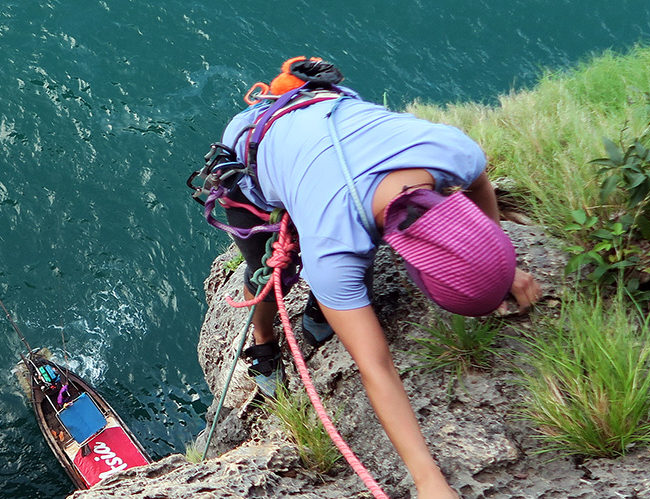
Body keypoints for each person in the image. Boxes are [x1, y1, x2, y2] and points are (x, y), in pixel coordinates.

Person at [198, 58, 542, 499]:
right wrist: (427, 479)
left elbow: (479, 187)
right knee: (272, 277)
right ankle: (263, 344)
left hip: (316, 124)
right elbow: (375, 368)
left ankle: (328, 306)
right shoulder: (332, 249)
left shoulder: (452, 151)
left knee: (341, 267)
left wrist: (500, 265)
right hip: (252, 151)